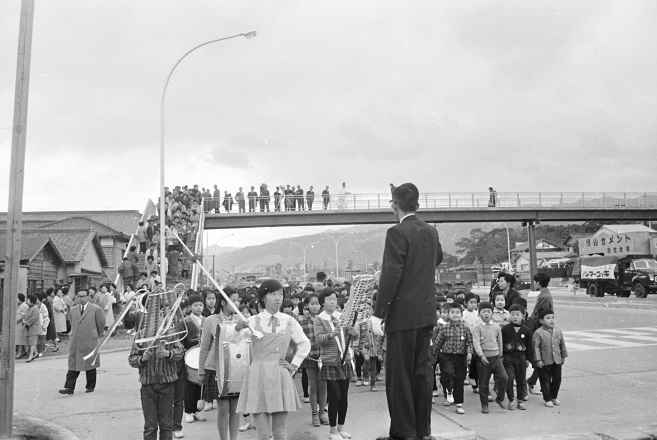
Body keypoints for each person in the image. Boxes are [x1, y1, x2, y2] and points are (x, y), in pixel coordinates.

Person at [371, 183, 442, 440]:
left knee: (399, 377)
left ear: (394, 204)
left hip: (401, 317)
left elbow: (391, 275)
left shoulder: (396, 232)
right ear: (418, 205)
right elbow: (438, 258)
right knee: (422, 374)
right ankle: (423, 432)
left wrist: (378, 313)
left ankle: (404, 434)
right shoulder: (430, 231)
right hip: (425, 314)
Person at [234, 279, 311, 440]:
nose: (278, 298)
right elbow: (235, 341)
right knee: (262, 434)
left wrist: (294, 365)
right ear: (263, 298)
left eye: (281, 294)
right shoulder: (253, 321)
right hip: (258, 375)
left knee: (280, 432)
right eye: (273, 294)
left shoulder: (289, 321)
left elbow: (305, 344)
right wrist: (237, 329)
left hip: (279, 374)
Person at [198, 287, 242, 439]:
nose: (237, 303)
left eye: (238, 300)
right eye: (233, 300)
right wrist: (201, 371)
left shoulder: (241, 319)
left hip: (237, 368)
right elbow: (204, 348)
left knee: (236, 408)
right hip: (217, 369)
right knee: (223, 409)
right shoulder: (211, 320)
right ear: (223, 302)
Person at [315, 288, 358, 440]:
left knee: (344, 396)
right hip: (330, 361)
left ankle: (341, 427)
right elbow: (320, 340)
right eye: (329, 299)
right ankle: (332, 431)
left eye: (334, 299)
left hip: (344, 360)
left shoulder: (342, 317)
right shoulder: (320, 319)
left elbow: (351, 339)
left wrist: (354, 333)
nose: (333, 301)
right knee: (335, 396)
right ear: (322, 302)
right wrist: (332, 334)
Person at [129, 331, 185, 440]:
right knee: (150, 426)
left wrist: (168, 354)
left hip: (167, 385)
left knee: (166, 425)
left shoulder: (170, 333)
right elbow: (132, 359)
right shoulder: (141, 335)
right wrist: (142, 359)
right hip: (148, 385)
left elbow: (180, 352)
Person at [59, 288, 106, 395]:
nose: (82, 298)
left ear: (89, 296)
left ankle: (90, 386)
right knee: (73, 364)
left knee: (90, 364)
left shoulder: (96, 309)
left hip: (90, 340)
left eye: (84, 296)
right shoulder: (73, 309)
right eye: (80, 296)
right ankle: (69, 388)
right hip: (76, 340)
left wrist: (95, 335)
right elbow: (72, 323)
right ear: (77, 297)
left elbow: (101, 324)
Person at [433, 302, 473, 415]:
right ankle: (449, 390)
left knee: (460, 379)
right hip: (446, 356)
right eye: (452, 312)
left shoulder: (465, 328)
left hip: (461, 357)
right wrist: (434, 357)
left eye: (457, 312)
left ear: (461, 314)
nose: (455, 315)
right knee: (449, 373)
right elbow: (438, 343)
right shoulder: (444, 328)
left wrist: (469, 352)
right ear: (448, 315)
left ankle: (459, 404)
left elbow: (469, 342)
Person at [297, 292, 328, 427]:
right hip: (310, 357)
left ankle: (323, 412)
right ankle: (314, 414)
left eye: (317, 303)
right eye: (312, 304)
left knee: (323, 385)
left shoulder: (325, 319)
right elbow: (299, 340)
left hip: (324, 357)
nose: (315, 306)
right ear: (307, 306)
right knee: (313, 386)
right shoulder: (301, 320)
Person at [472, 301, 507, 413]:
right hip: (484, 359)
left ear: (492, 313)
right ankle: (484, 405)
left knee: (504, 377)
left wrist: (501, 355)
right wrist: (481, 356)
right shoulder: (477, 327)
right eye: (484, 311)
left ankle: (500, 398)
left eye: (489, 311)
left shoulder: (496, 326)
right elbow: (476, 343)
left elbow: (500, 341)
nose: (486, 314)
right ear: (479, 313)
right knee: (483, 383)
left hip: (496, 357)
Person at [179, 293, 206, 438]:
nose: (198, 307)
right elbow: (181, 339)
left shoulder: (206, 320)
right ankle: (188, 411)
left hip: (203, 357)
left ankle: (197, 410)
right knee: (189, 385)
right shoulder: (185, 321)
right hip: (190, 356)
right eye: (195, 305)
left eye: (200, 305)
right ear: (190, 307)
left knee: (201, 385)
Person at [533, 309, 568, 408]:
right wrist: (538, 360)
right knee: (545, 381)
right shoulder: (538, 333)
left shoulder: (558, 331)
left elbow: (562, 344)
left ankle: (554, 396)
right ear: (541, 321)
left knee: (557, 379)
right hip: (544, 362)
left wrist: (563, 355)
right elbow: (535, 347)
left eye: (553, 318)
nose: (551, 320)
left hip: (556, 360)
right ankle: (547, 398)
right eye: (548, 318)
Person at [502, 304, 533, 410]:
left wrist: (528, 358)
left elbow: (529, 345)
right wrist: (501, 356)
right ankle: (511, 399)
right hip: (508, 357)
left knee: (521, 379)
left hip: (521, 357)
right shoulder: (505, 329)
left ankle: (520, 399)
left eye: (517, 314)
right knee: (509, 378)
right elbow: (501, 343)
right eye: (512, 314)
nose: (515, 317)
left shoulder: (526, 330)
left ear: (523, 316)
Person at [356, 301, 384, 392]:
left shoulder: (375, 320)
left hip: (374, 345)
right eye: (365, 309)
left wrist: (379, 350)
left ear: (372, 310)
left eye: (369, 308)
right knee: (367, 359)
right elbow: (357, 335)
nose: (367, 311)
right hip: (364, 345)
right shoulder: (359, 321)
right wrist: (357, 347)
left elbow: (379, 334)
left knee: (373, 365)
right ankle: (366, 374)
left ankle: (373, 384)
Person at [22, 294, 40, 362]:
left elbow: (33, 319)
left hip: (34, 327)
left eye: (28, 300)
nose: (27, 301)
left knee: (32, 343)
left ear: (32, 301)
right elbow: (25, 316)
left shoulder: (35, 308)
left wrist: (26, 322)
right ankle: (36, 353)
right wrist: (24, 320)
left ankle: (31, 356)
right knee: (32, 341)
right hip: (29, 327)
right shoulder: (28, 308)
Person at [15, 293, 29, 359]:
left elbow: (22, 315)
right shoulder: (19, 305)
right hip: (18, 324)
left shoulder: (24, 306)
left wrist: (15, 320)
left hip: (21, 324)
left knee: (20, 339)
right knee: (19, 338)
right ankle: (23, 351)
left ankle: (20, 352)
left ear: (20, 299)